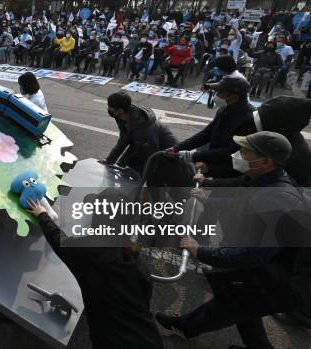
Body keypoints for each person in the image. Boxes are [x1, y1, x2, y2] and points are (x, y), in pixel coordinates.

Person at [156, 131, 310, 349]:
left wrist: (200, 251)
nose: (239, 154)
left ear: (265, 161)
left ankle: (183, 326)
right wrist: (209, 194)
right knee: (243, 307)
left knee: (233, 304)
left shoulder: (276, 198)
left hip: (285, 279)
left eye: (246, 151)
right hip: (272, 273)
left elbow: (252, 255)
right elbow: (242, 197)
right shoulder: (264, 179)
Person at [26, 189, 164, 349]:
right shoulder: (132, 256)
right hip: (149, 339)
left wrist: (42, 214)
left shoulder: (91, 252)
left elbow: (59, 240)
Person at [165, 76, 255, 179]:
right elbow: (206, 134)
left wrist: (192, 156)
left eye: (220, 92)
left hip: (233, 171)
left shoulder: (249, 119)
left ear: (234, 97)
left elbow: (232, 151)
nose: (216, 95)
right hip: (216, 161)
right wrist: (178, 148)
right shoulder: (225, 109)